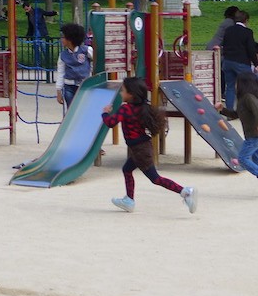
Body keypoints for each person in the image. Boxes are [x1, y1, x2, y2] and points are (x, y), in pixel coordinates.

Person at [102, 77, 197, 214]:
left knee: (155, 178)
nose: (121, 93)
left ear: (131, 94)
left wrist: (105, 112)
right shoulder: (143, 108)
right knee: (127, 169)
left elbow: (110, 123)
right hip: (141, 147)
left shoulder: (126, 109)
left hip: (140, 150)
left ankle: (185, 192)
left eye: (123, 91)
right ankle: (129, 200)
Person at [231, 72, 258, 197]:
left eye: (236, 83)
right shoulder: (242, 99)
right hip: (253, 135)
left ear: (243, 84)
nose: (234, 85)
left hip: (256, 134)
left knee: (243, 158)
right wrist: (221, 109)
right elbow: (236, 114)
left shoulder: (249, 97)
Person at [221, 10, 258, 112]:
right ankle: (249, 111)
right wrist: (256, 64)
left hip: (228, 62)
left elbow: (223, 44)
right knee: (248, 87)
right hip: (241, 62)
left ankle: (230, 112)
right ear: (246, 20)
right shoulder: (247, 32)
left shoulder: (228, 30)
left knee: (229, 87)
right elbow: (251, 49)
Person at [55, 23, 92, 109]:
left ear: (70, 39)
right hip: (69, 86)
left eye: (63, 37)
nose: (61, 39)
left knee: (83, 109)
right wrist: (58, 91)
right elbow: (60, 73)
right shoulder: (63, 55)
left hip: (84, 85)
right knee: (71, 110)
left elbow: (96, 61)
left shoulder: (86, 50)